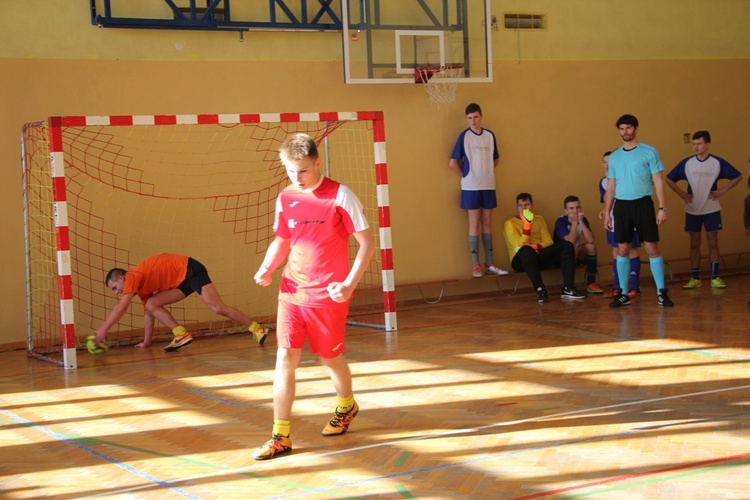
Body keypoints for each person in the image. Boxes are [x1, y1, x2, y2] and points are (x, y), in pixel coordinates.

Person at [251, 133, 374, 460]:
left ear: (317, 162)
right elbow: (282, 240)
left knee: (328, 357)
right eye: (291, 171)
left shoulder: (340, 195)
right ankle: (280, 435)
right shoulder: (286, 197)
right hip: (291, 291)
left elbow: (366, 243)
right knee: (284, 358)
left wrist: (348, 284)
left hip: (328, 295)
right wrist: (267, 267)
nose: (297, 177)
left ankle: (347, 404)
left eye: (303, 170)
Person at [93, 253, 268, 351]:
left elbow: (122, 306)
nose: (117, 292)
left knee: (218, 308)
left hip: (190, 270)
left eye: (115, 287)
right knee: (151, 305)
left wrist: (103, 329)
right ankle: (181, 334)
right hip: (181, 280)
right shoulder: (139, 287)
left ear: (122, 278)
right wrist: (146, 342)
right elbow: (149, 313)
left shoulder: (132, 276)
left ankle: (257, 329)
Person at [603, 114, 673, 307]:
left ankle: (661, 293)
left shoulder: (649, 152)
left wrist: (662, 208)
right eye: (622, 128)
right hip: (622, 207)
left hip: (643, 204)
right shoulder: (615, 156)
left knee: (651, 248)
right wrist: (607, 212)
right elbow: (610, 187)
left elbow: (658, 181)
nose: (625, 132)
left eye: (628, 128)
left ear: (636, 128)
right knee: (622, 249)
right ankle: (624, 293)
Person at [665, 131, 743, 289]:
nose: (696, 147)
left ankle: (715, 276)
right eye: (694, 144)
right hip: (692, 209)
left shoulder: (717, 162)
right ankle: (695, 277)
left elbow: (738, 176)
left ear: (707, 144)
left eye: (699, 144)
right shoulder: (687, 163)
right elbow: (669, 178)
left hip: (711, 208)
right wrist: (681, 193)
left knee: (713, 242)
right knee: (694, 243)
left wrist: (722, 190)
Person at [449, 103, 508, 278]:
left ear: (481, 116)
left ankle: (490, 263)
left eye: (475, 117)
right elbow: (452, 163)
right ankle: (476, 265)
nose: (473, 121)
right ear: (466, 119)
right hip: (471, 187)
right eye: (469, 118)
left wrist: (486, 172)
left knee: (487, 223)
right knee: (474, 223)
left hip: (488, 185)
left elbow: (496, 159)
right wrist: (466, 177)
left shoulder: (490, 136)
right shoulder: (464, 137)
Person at [503, 193, 587, 303]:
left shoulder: (539, 219)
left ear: (532, 206)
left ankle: (569, 288)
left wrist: (535, 246)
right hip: (520, 260)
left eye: (527, 204)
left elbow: (548, 241)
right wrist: (527, 226)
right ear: (517, 207)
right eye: (521, 205)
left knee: (567, 245)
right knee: (526, 251)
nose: (524, 208)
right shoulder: (510, 223)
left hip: (539, 254)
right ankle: (540, 289)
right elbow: (519, 245)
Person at [598, 151, 642, 298]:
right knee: (616, 251)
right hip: (613, 222)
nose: (607, 165)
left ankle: (635, 287)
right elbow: (608, 199)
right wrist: (605, 210)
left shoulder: (626, 178)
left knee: (632, 250)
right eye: (605, 162)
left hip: (629, 220)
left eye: (610, 162)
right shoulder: (603, 182)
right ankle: (618, 287)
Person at [553, 195, 603, 294]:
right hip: (561, 257)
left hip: (575, 253)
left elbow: (591, 239)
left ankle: (591, 283)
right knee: (573, 248)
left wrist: (581, 221)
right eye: (571, 208)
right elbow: (569, 242)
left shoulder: (583, 219)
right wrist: (575, 222)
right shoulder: (561, 221)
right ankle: (570, 285)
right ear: (566, 211)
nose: (575, 210)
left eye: (578, 207)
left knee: (591, 247)